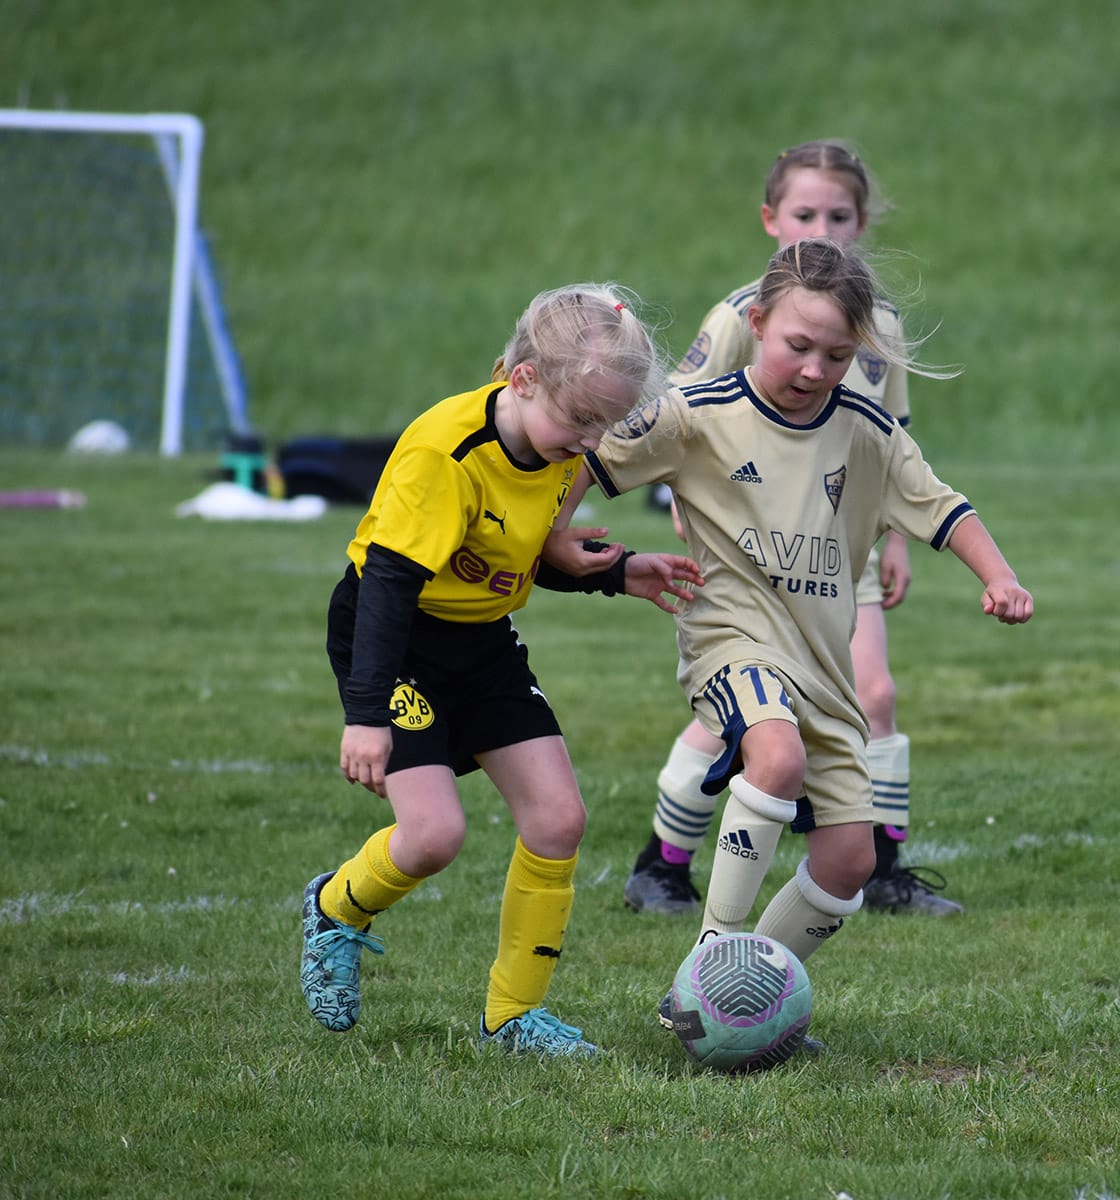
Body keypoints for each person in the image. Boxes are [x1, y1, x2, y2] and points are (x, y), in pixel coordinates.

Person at [549, 237, 1032, 1012]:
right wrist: (554, 536)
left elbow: (943, 506)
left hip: (824, 672)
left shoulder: (867, 433)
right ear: (758, 320)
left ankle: (749, 993)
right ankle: (707, 971)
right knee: (772, 759)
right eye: (798, 346)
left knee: (848, 862)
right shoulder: (695, 416)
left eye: (837, 355)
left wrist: (999, 575)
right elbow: (581, 457)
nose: (814, 369)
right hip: (730, 644)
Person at [299, 283, 703, 1056]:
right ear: (520, 380)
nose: (588, 442)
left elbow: (510, 558)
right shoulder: (445, 452)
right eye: (579, 420)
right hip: (395, 641)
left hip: (481, 640)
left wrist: (618, 574)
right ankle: (335, 907)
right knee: (433, 835)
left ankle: (511, 1018)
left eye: (605, 426)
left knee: (559, 820)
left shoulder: (553, 445)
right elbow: (388, 586)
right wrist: (366, 712)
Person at [621, 139, 963, 917]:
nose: (823, 228)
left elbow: (894, 440)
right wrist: (685, 507)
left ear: (863, 222)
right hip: (751, 544)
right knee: (747, 716)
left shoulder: (882, 323)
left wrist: (899, 538)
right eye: (805, 213)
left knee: (871, 695)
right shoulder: (747, 311)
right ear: (772, 218)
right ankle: (663, 863)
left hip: (845, 548)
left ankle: (879, 868)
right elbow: (679, 422)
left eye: (839, 215)